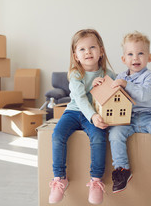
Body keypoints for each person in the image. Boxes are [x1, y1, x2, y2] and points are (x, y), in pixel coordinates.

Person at [106, 31, 151, 197]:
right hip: (127, 118)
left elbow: (146, 94)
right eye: (130, 54)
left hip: (149, 115)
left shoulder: (149, 76)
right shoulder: (120, 76)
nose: (135, 58)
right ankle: (122, 169)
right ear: (124, 59)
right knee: (115, 134)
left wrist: (126, 85)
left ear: (149, 57)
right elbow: (112, 94)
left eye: (140, 53)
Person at [48, 29, 116, 204]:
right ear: (76, 55)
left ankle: (95, 180)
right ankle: (59, 178)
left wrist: (109, 86)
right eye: (82, 49)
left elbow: (114, 95)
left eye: (92, 47)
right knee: (57, 135)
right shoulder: (76, 74)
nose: (88, 52)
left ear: (101, 51)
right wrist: (92, 114)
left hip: (94, 115)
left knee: (99, 137)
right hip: (73, 112)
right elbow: (80, 98)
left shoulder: (108, 74)